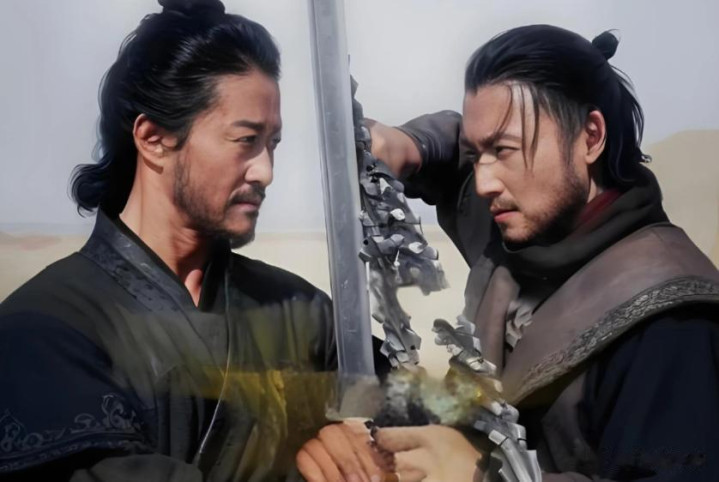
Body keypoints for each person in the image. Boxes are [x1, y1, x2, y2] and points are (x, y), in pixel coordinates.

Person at [298, 25, 719, 481]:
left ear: (590, 136)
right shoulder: (526, 219)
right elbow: (458, 148)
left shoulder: (672, 326)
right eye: (479, 153)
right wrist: (409, 145)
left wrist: (487, 476)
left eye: (503, 150)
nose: (483, 183)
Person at [0, 1, 392, 480]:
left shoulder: (302, 312)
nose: (265, 171)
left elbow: (422, 425)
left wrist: (368, 449)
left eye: (272, 144)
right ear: (154, 139)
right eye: (245, 140)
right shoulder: (44, 330)